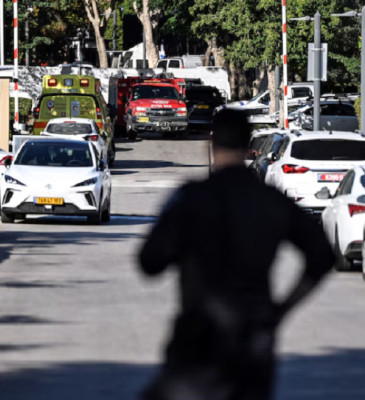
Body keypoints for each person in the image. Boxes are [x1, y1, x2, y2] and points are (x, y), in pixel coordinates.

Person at [138, 109, 334, 400]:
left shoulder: (191, 197)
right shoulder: (270, 200)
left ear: (211, 144)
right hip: (254, 342)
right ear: (248, 146)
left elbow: (149, 262)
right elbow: (322, 256)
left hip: (200, 341)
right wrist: (280, 310)